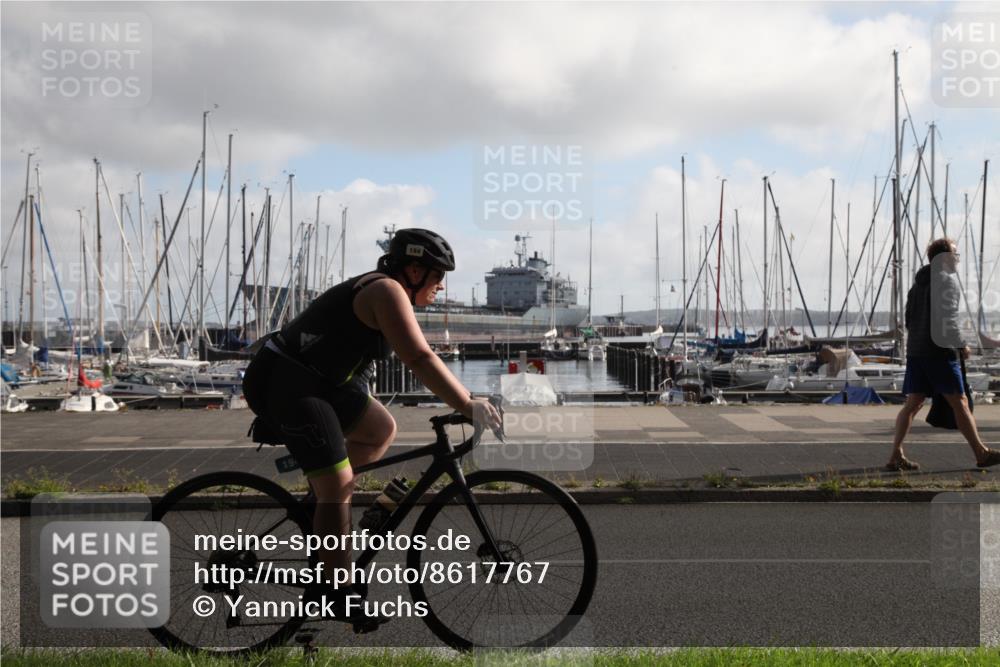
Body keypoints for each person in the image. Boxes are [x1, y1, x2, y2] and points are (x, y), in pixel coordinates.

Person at [242, 228, 502, 621]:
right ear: (413, 271)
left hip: (320, 381)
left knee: (380, 430)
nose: (441, 286)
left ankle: (323, 513)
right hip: (287, 382)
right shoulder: (387, 292)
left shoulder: (390, 291)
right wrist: (467, 404)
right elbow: (419, 357)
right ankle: (337, 593)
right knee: (338, 483)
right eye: (436, 276)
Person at [886, 237, 1000, 471]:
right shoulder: (946, 283)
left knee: (913, 403)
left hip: (916, 351)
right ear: (944, 257)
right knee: (960, 401)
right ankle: (981, 453)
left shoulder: (917, 285)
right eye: (955, 254)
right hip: (939, 352)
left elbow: (909, 320)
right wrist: (961, 345)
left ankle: (896, 453)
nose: (958, 259)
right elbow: (948, 319)